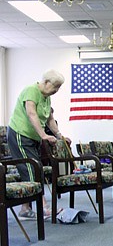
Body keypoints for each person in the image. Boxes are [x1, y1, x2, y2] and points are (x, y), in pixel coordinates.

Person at [7, 69, 70, 220]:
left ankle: (25, 209)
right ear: (46, 82)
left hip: (33, 138)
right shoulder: (31, 91)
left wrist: (60, 136)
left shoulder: (47, 98)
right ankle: (43, 207)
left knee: (31, 169)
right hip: (20, 134)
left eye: (59, 87)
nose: (57, 90)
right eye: (55, 86)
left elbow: (49, 119)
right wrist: (43, 135)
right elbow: (31, 114)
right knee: (33, 169)